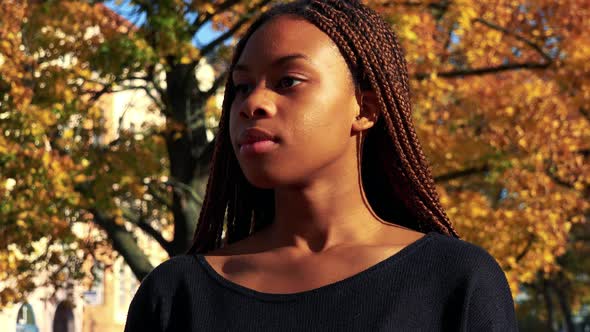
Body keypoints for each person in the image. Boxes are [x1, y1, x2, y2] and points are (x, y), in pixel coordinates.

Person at [124, 0, 518, 331]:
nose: (251, 104)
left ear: (364, 108)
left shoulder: (456, 281)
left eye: (288, 81)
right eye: (242, 86)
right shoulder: (176, 295)